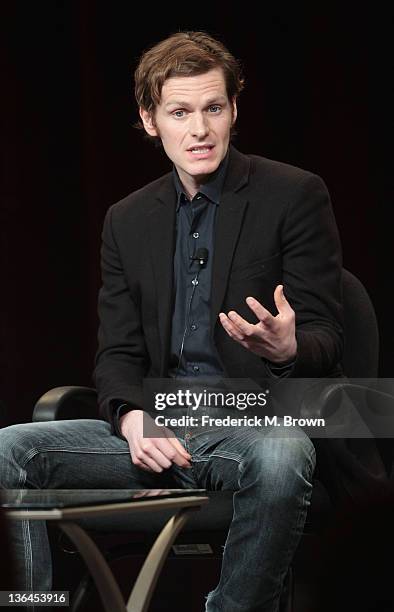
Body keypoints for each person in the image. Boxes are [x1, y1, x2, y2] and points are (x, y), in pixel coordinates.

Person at [0, 31, 343, 611]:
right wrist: (132, 416)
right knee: (10, 449)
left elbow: (327, 338)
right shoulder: (127, 220)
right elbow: (117, 356)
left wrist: (286, 348)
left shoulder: (294, 195)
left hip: (254, 421)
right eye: (180, 112)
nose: (200, 130)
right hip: (159, 427)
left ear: (235, 110)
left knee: (284, 451)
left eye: (213, 109)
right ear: (151, 120)